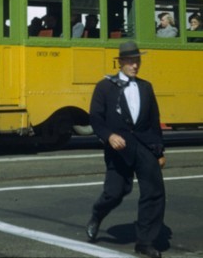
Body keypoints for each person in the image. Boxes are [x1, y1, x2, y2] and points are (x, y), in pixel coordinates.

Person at [85, 41, 166, 258]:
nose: (135, 65)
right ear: (120, 62)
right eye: (130, 61)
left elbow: (154, 121)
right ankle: (97, 213)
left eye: (137, 61)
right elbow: (95, 117)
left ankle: (145, 242)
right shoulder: (104, 87)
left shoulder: (146, 87)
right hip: (118, 147)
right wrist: (109, 136)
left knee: (154, 192)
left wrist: (159, 152)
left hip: (145, 146)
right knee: (115, 192)